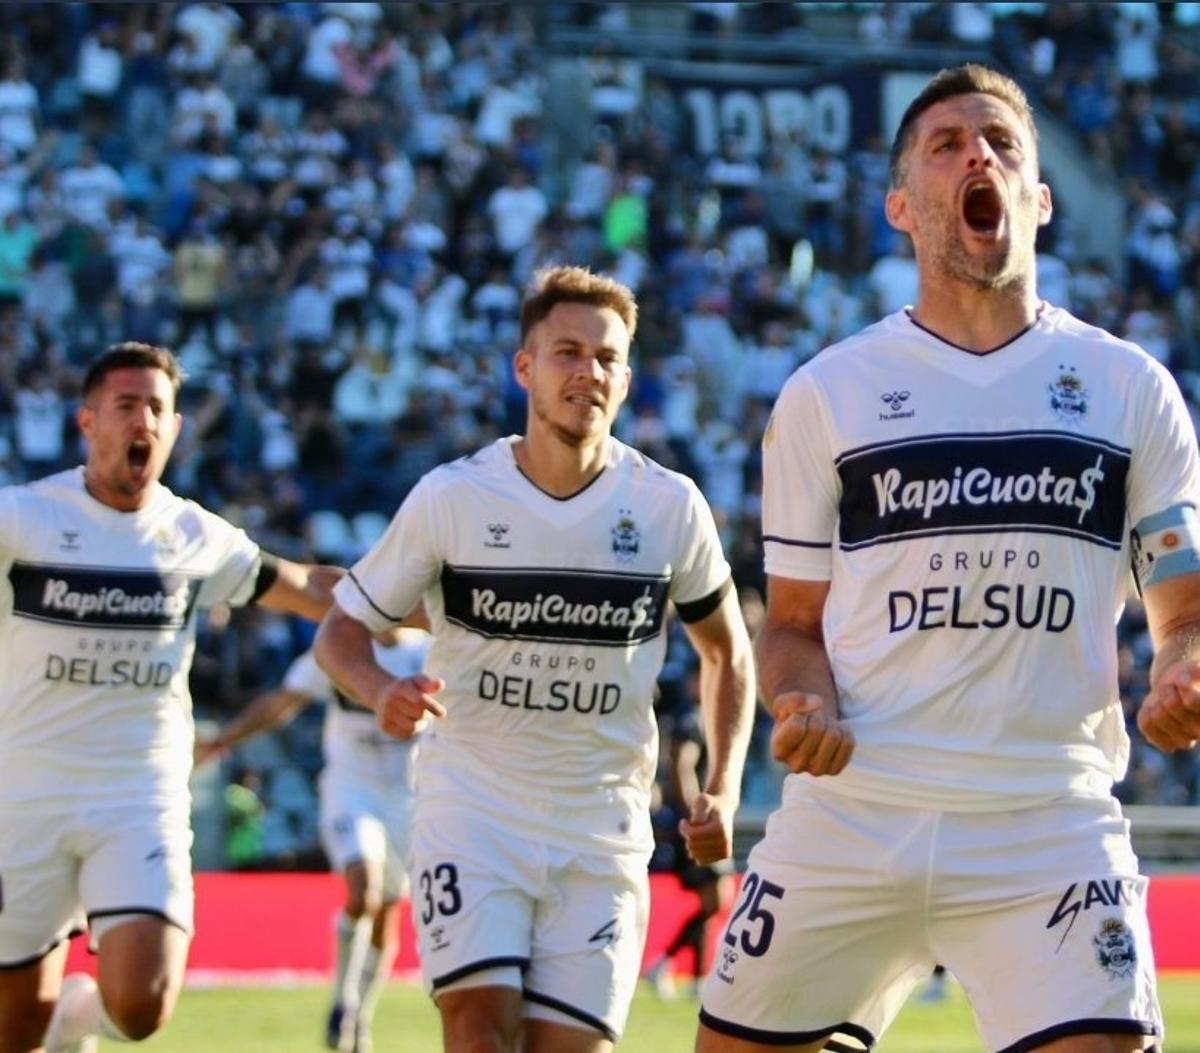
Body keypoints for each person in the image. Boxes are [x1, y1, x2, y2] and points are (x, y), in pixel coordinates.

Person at [696, 64, 1200, 1053]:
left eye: (1003, 143)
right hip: (855, 810)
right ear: (899, 206)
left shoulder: (1130, 387)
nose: (979, 154)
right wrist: (803, 700)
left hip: (1045, 819)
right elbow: (791, 630)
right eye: (947, 144)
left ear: (1039, 200)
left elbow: (1183, 613)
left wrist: (1183, 669)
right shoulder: (827, 394)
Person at [315, 264, 756, 1053]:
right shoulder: (453, 497)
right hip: (472, 814)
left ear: (627, 378)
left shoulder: (668, 505)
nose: (588, 371)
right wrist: (379, 689)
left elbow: (727, 651)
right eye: (567, 352)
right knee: (478, 1033)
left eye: (607, 357)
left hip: (602, 827)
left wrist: (722, 786)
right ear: (525, 367)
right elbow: (341, 630)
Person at [0, 343, 342, 1053]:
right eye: (126, 405)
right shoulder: (23, 520)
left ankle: (81, 1014)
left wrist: (430, 599)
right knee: (16, 1027)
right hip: (24, 794)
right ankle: (57, 1021)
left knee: (141, 1003)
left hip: (138, 793)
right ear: (87, 421)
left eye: (157, 408)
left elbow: (308, 587)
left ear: (176, 428)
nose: (144, 421)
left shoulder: (193, 534)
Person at [195, 625, 433, 1053]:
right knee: (363, 889)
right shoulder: (344, 647)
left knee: (386, 911)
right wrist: (222, 741)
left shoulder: (430, 653)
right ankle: (342, 1002)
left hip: (408, 796)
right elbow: (283, 702)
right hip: (351, 789)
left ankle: (360, 1015)